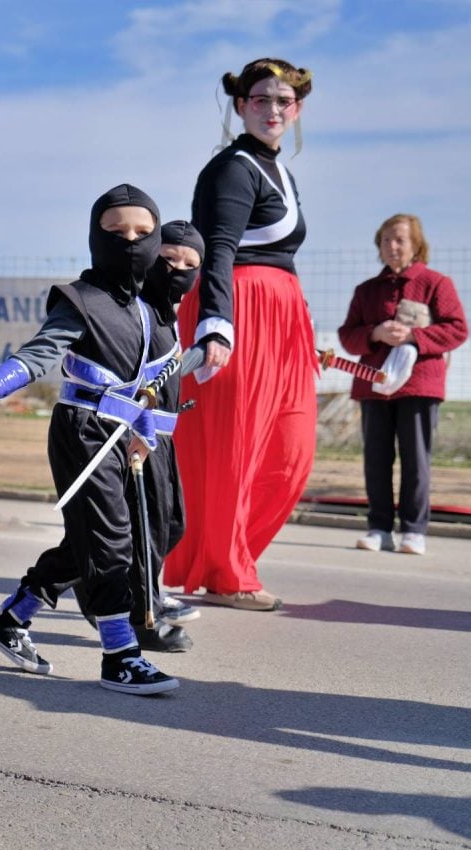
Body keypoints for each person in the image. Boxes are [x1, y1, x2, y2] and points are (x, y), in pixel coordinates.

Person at [0, 185, 180, 695]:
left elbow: (153, 382)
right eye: (115, 232)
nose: (130, 242)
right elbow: (42, 352)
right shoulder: (80, 300)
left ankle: (11, 618)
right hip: (83, 432)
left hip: (126, 437)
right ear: (94, 236)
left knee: (94, 536)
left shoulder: (153, 309)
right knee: (110, 541)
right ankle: (119, 654)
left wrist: (145, 430)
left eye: (142, 232)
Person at [163, 58, 315, 612]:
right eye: (261, 100)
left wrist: (299, 324)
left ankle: (225, 559)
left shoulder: (277, 169)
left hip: (282, 319)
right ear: (241, 105)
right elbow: (218, 250)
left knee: (291, 450)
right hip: (240, 315)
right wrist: (216, 326)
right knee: (234, 450)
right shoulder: (232, 167)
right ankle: (226, 574)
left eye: (284, 101)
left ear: (297, 109)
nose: (273, 110)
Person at [338, 214, 467, 555]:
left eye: (400, 240)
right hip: (373, 386)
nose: (392, 247)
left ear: (416, 245)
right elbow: (347, 337)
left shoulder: (436, 283)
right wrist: (375, 334)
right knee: (376, 459)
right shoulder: (366, 291)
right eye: (385, 240)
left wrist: (414, 335)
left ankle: (414, 529)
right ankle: (379, 528)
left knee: (416, 459)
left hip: (419, 385)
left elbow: (457, 328)